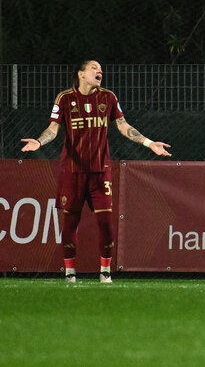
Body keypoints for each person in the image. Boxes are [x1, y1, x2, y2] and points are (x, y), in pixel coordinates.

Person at [21, 60, 172, 284]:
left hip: (101, 171)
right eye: (94, 68)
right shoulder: (65, 98)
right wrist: (39, 142)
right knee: (70, 223)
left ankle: (105, 272)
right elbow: (53, 129)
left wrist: (149, 144)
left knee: (106, 223)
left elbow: (122, 125)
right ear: (81, 74)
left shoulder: (108, 97)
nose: (99, 71)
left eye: (100, 69)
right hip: (72, 171)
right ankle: (70, 273)